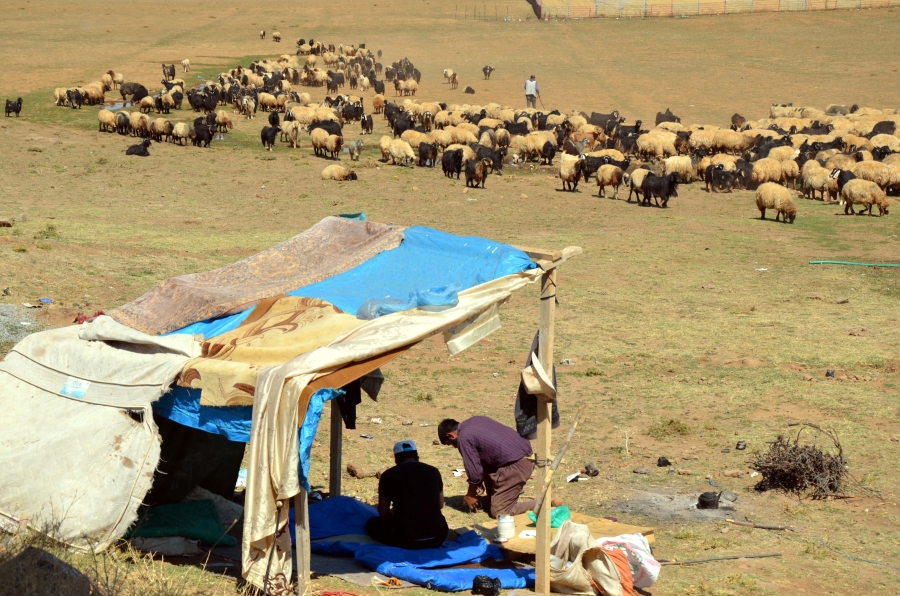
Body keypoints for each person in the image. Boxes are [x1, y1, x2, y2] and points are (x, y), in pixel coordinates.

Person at [438, 416, 562, 518]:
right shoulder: (475, 420)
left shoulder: (464, 438)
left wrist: (471, 494)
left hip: (514, 466)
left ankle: (546, 503)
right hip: (521, 458)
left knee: (500, 512)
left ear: (450, 435)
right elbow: (483, 458)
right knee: (494, 501)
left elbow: (474, 471)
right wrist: (478, 484)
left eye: (450, 444)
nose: (454, 447)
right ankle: (499, 500)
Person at [365, 440, 449, 549]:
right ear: (417, 456)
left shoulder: (388, 475)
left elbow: (383, 513)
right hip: (437, 538)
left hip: (406, 540)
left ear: (396, 458)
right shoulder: (434, 471)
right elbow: (440, 504)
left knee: (371, 523)